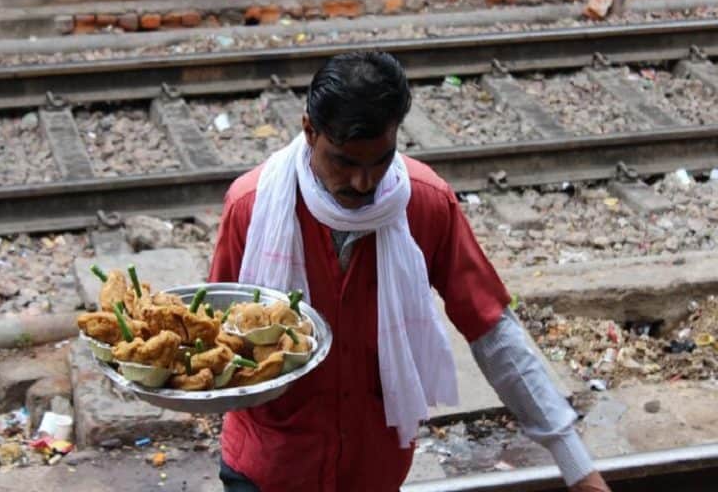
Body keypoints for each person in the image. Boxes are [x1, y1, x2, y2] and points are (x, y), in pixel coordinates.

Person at [209, 51, 611, 492]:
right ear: (309, 131)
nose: (363, 184)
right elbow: (218, 331)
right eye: (344, 162)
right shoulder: (251, 206)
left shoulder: (425, 204)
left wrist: (573, 461)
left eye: (378, 161)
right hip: (268, 466)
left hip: (372, 473)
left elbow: (492, 330)